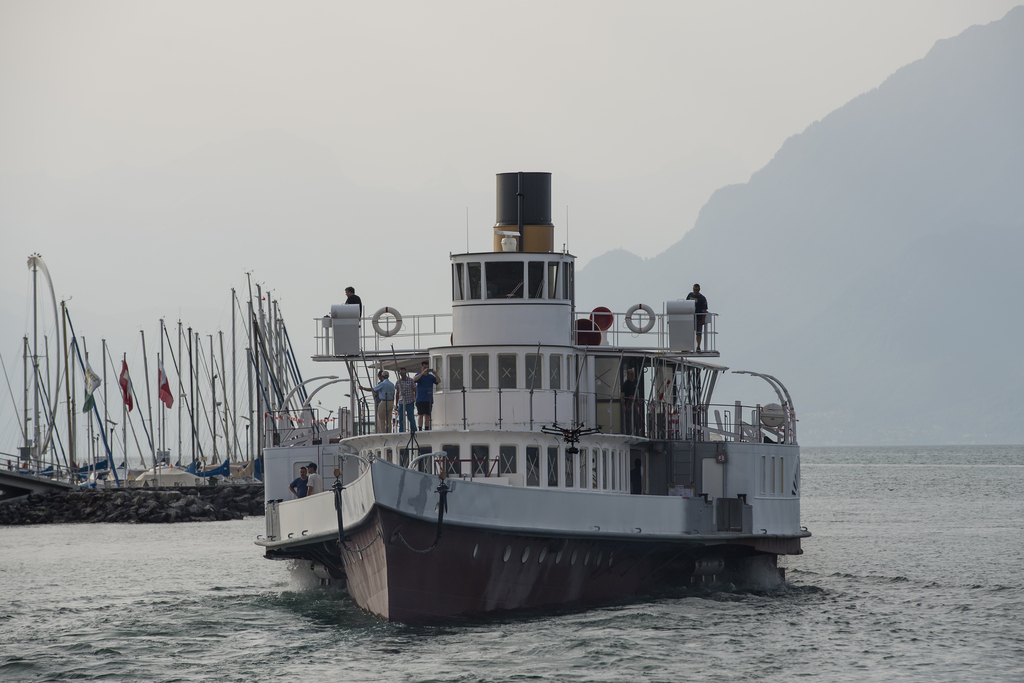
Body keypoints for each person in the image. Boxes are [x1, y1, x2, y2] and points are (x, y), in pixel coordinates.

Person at [413, 361, 440, 431]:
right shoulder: (419, 375)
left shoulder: (431, 377)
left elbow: (438, 381)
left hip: (429, 398)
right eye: (425, 367)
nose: (426, 369)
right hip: (420, 399)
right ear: (421, 367)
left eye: (427, 368)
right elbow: (414, 379)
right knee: (420, 414)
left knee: (428, 415)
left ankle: (427, 428)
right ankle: (420, 428)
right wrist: (422, 373)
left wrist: (435, 374)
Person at [686, 283, 709, 352]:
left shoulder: (702, 298)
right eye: (694, 290)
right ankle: (687, 347)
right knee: (689, 332)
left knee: (698, 333)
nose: (695, 291)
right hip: (690, 317)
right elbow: (685, 304)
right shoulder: (690, 295)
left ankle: (698, 346)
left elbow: (705, 309)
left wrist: (703, 319)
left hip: (698, 317)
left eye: (697, 290)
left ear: (699, 290)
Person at [394, 367, 417, 433]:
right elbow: (397, 393)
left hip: (409, 402)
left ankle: (413, 430)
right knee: (401, 418)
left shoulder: (411, 380)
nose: (402, 374)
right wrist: (396, 404)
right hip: (401, 402)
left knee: (411, 417)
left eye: (403, 372)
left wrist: (415, 400)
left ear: (406, 372)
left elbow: (415, 390)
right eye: (400, 372)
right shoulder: (398, 382)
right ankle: (401, 431)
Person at [621, 368, 642, 436]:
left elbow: (637, 392)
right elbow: (622, 395)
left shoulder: (636, 381)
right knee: (629, 418)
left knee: (636, 417)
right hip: (628, 403)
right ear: (628, 375)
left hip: (634, 402)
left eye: (633, 374)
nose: (633, 375)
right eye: (631, 374)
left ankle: (637, 432)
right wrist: (623, 405)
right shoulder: (625, 384)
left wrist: (638, 399)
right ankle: (628, 432)